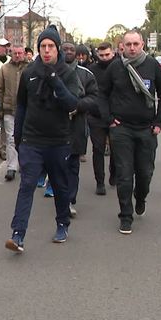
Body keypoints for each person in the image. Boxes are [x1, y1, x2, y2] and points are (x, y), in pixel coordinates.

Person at [5, 25, 80, 253]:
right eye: (43, 46)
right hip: (32, 140)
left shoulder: (67, 73)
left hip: (58, 141)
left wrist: (55, 79)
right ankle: (18, 235)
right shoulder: (29, 73)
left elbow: (72, 103)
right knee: (27, 185)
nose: (46, 51)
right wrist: (18, 138)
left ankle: (62, 224)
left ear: (57, 49)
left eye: (51, 46)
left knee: (59, 185)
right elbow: (22, 106)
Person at [102, 29, 161, 234]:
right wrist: (109, 120)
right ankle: (125, 216)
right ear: (122, 46)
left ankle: (140, 197)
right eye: (128, 44)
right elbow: (102, 95)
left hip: (147, 129)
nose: (132, 48)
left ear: (142, 45)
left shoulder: (153, 66)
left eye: (136, 44)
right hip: (121, 129)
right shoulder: (115, 67)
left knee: (144, 173)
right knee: (124, 174)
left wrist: (159, 122)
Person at [62, 42, 98, 217]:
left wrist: (79, 106)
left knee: (72, 166)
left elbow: (94, 98)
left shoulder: (86, 74)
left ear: (77, 54)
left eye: (71, 50)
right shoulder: (50, 71)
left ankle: (69, 200)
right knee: (58, 166)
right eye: (65, 49)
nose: (68, 52)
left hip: (76, 127)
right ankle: (60, 197)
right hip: (55, 128)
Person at [87, 41, 118, 195]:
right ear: (97, 55)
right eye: (102, 55)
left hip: (115, 116)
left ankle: (114, 173)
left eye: (107, 55)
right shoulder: (92, 70)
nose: (105, 58)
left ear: (112, 53)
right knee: (98, 150)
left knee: (116, 149)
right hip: (96, 116)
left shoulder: (119, 68)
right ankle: (100, 182)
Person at [0, 45, 28, 181]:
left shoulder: (30, 68)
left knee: (27, 139)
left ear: (24, 54)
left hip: (27, 110)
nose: (17, 55)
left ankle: (25, 164)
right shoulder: (5, 69)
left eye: (20, 53)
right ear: (11, 53)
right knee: (11, 139)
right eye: (15, 53)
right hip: (9, 109)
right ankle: (11, 167)